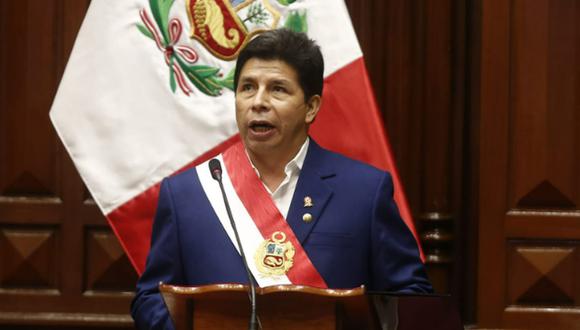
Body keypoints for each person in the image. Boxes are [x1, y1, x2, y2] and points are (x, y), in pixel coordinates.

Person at [131, 28, 432, 329]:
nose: (258, 102)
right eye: (247, 87)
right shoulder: (187, 193)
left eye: (278, 89)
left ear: (311, 107)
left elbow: (411, 299)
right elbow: (150, 298)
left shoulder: (364, 191)